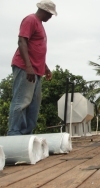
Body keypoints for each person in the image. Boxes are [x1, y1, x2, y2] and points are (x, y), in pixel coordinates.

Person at [7, 0, 57, 135]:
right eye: (50, 14)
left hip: (37, 70)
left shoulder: (40, 24)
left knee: (33, 105)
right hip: (25, 68)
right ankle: (15, 133)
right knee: (21, 101)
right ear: (44, 11)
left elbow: (37, 49)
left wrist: (45, 68)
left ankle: (26, 135)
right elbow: (22, 41)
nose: (50, 17)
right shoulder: (31, 20)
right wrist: (28, 67)